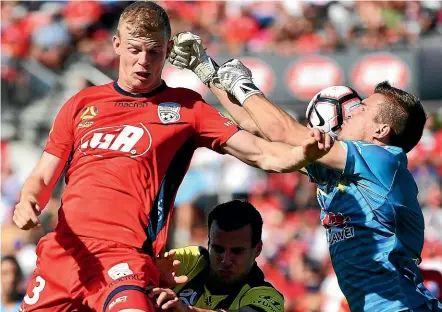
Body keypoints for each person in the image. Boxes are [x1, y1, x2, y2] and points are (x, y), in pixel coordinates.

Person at [13, 3, 333, 312]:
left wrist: (302, 154)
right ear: (117, 44)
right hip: (63, 253)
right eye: (135, 50)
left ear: (167, 51)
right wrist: (28, 201)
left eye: (154, 52)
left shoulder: (186, 108)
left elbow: (262, 153)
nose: (143, 62)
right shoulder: (82, 102)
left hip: (124, 256)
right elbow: (43, 176)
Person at [169, 32, 442, 311]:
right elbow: (256, 127)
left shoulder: (384, 160)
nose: (349, 113)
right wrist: (206, 69)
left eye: (361, 109)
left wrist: (244, 85)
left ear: (381, 131)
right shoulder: (345, 173)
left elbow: (281, 130)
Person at [149, 200, 284, 312]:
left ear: (257, 250)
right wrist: (152, 277)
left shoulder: (268, 297)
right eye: (218, 249)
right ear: (208, 243)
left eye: (237, 251)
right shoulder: (192, 259)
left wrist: (188, 310)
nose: (225, 260)